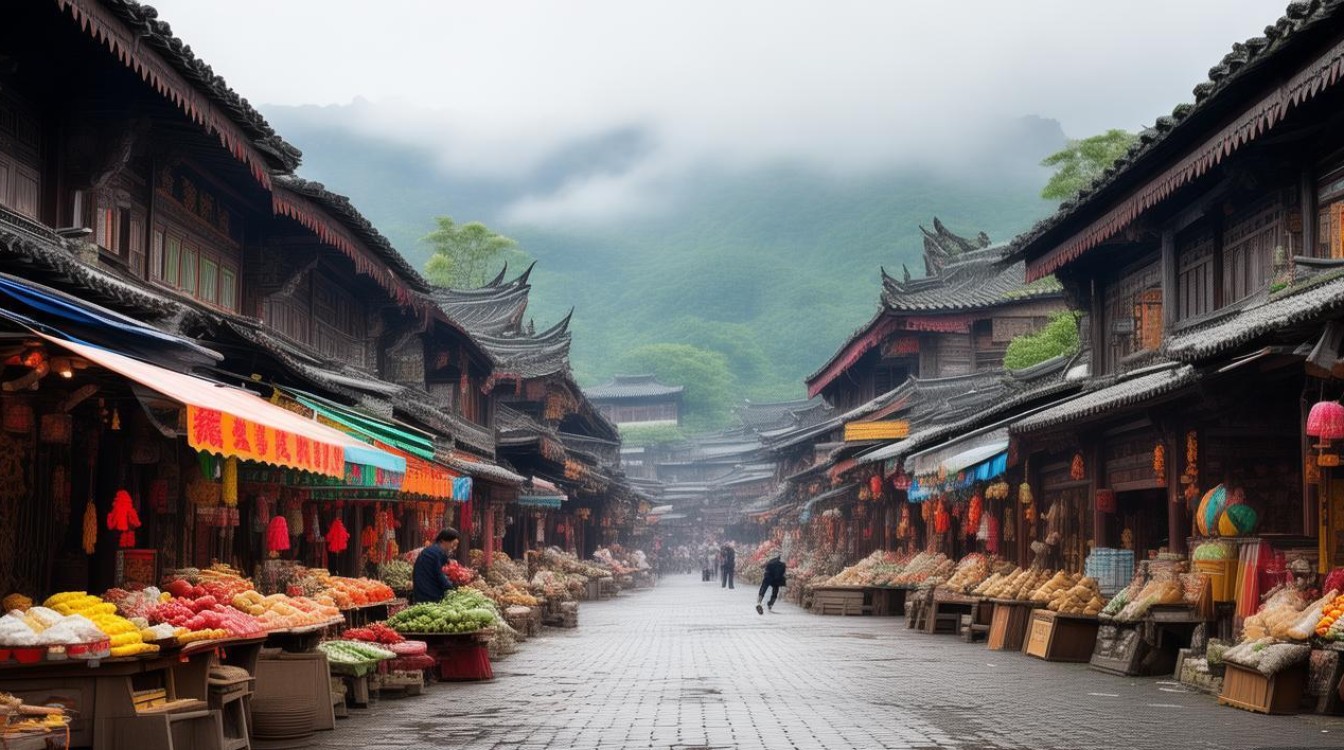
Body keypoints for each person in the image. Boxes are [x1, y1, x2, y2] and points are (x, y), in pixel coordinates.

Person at [412, 528, 460, 604]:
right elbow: (440, 575)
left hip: (422, 592)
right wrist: (454, 588)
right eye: (453, 544)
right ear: (444, 540)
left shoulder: (433, 550)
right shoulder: (435, 553)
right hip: (428, 594)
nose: (454, 548)